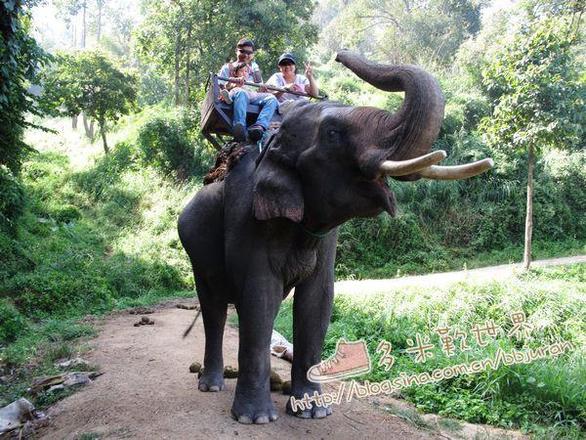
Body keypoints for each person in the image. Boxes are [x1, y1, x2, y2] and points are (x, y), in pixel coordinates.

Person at [217, 38, 278, 142]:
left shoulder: (254, 68)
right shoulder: (228, 67)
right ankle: (239, 125)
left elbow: (259, 86)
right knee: (241, 93)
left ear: (253, 55)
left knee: (271, 98)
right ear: (237, 51)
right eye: (242, 51)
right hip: (237, 94)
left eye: (249, 53)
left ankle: (260, 125)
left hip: (252, 95)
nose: (246, 55)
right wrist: (232, 84)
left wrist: (263, 88)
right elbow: (220, 86)